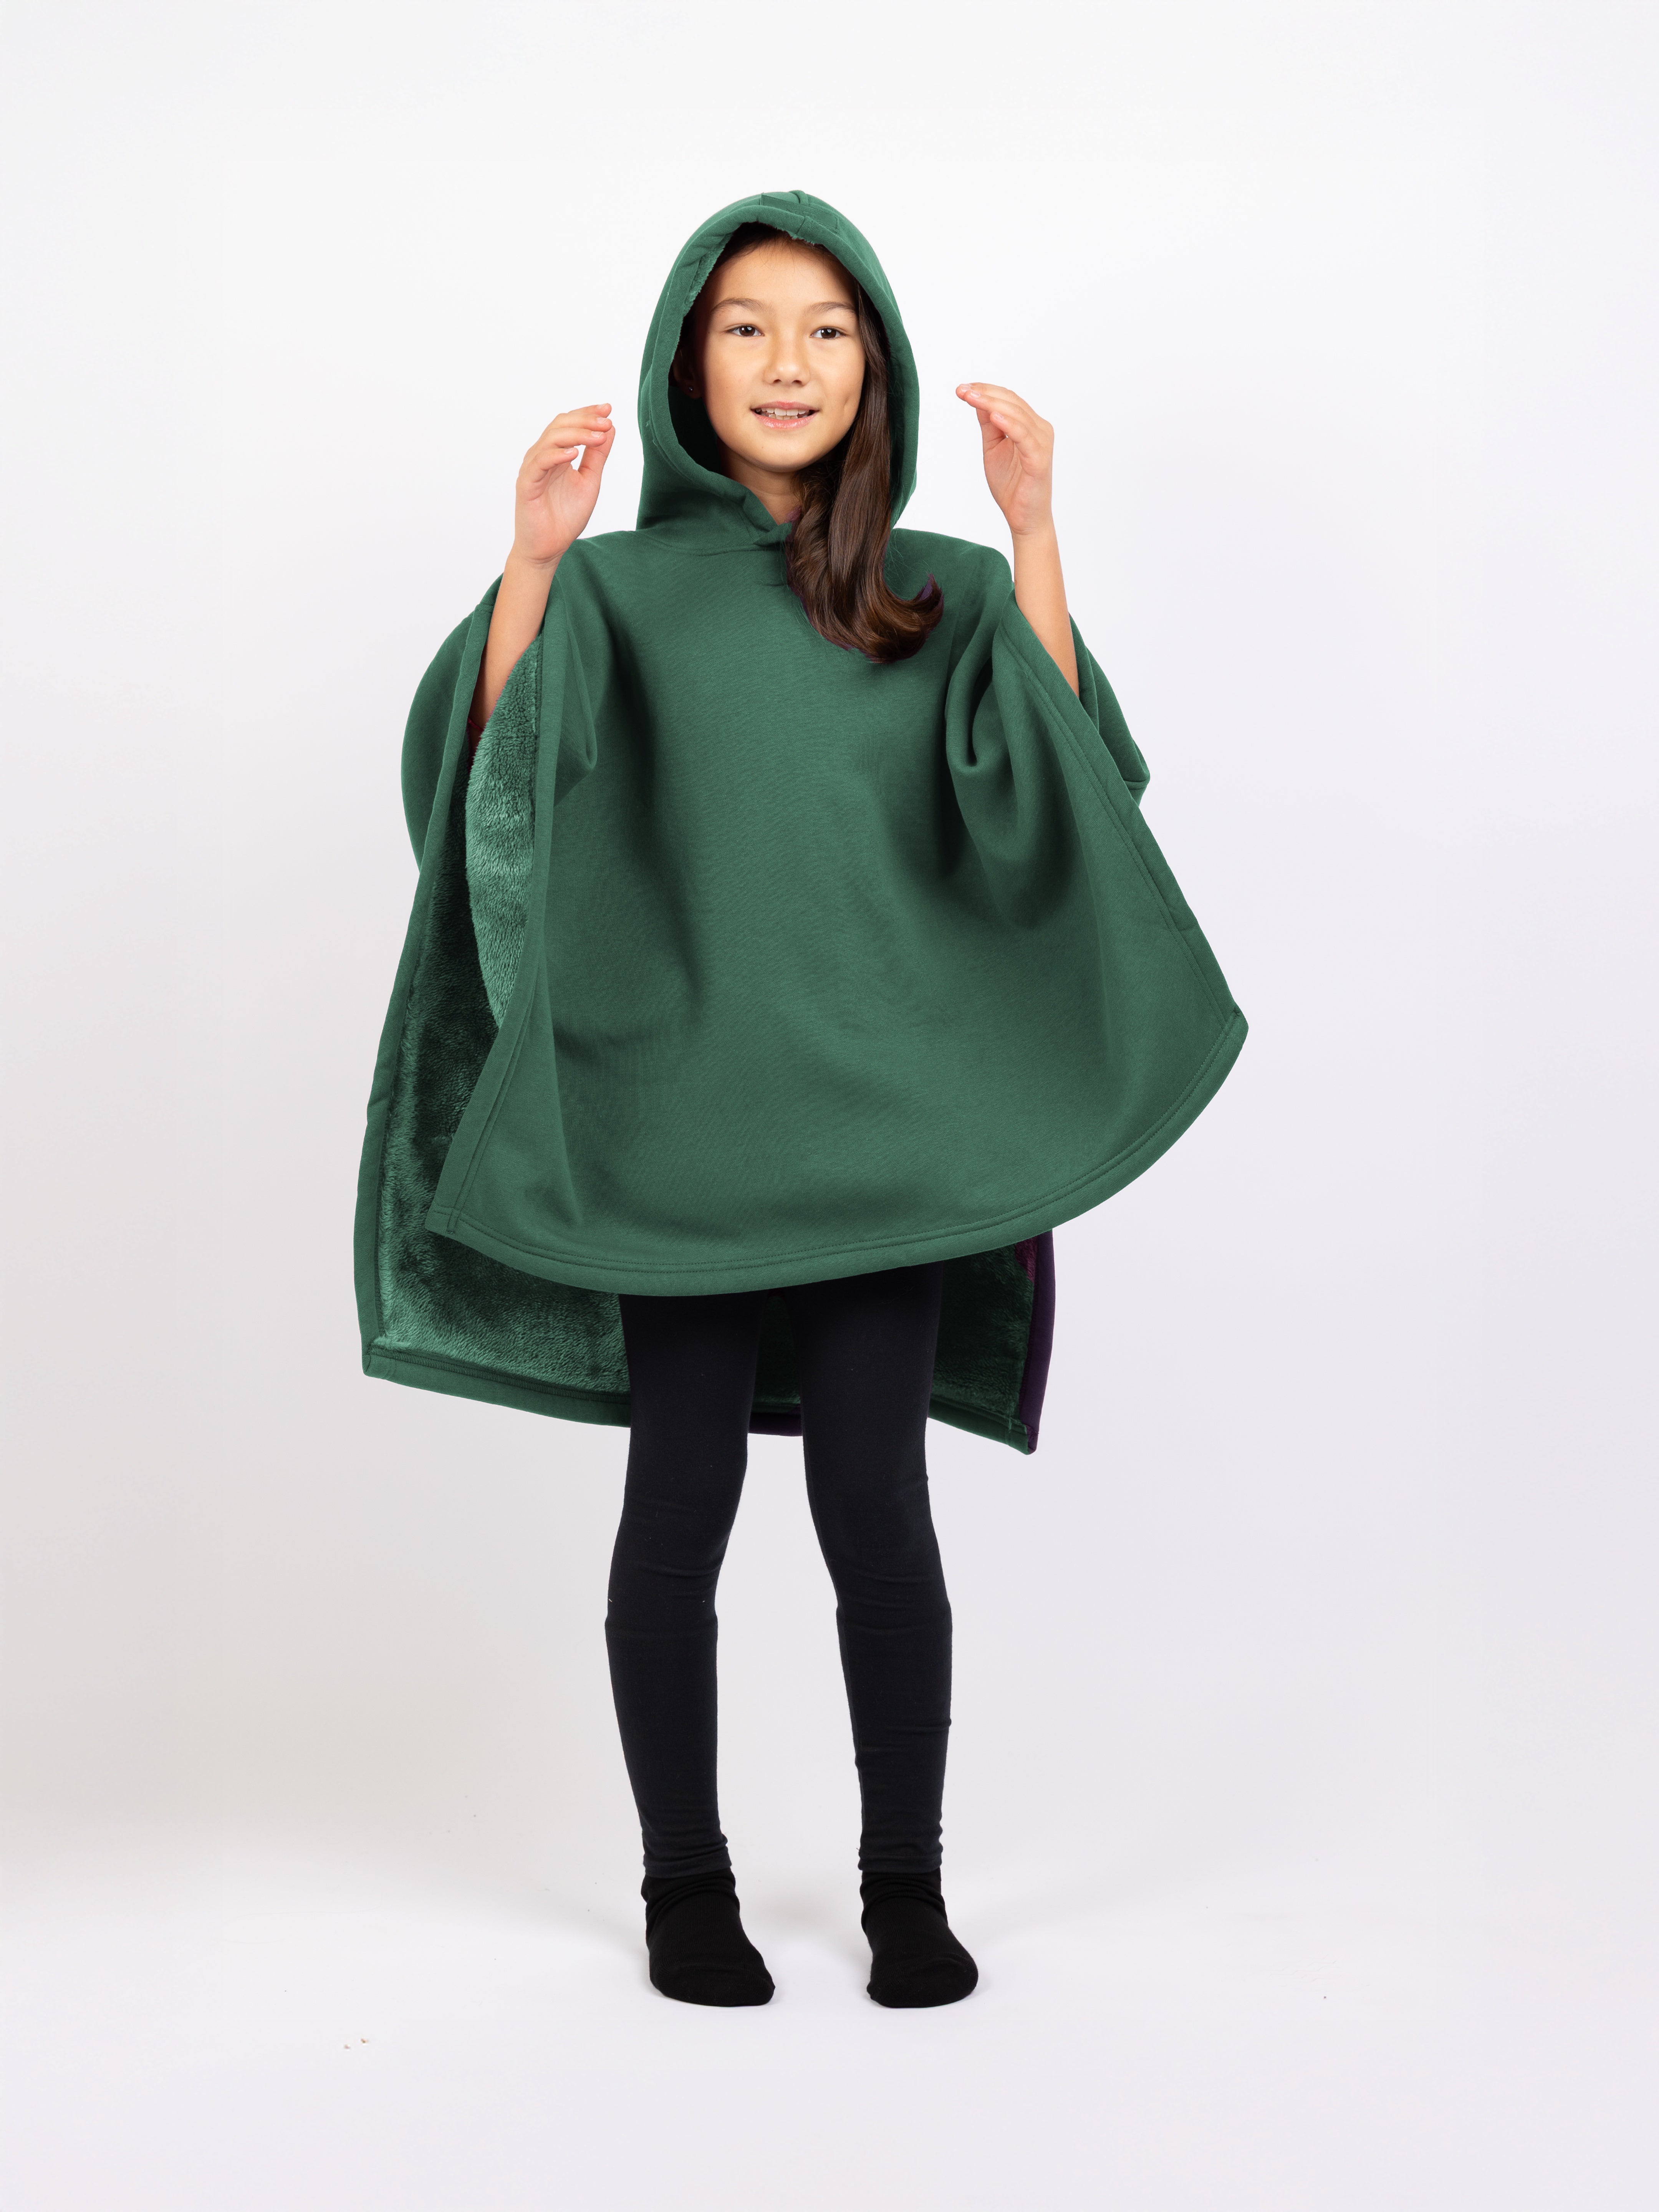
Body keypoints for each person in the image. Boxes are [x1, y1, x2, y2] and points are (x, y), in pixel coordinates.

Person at [356, 191, 1245, 2010]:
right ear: (688, 362)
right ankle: (685, 1890)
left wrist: (1036, 530)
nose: (787, 362)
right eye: (748, 327)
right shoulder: (613, 590)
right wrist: (530, 564)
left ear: (876, 365)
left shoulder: (944, 586)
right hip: (680, 1139)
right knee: (676, 1506)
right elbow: (496, 792)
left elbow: (1065, 785)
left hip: (876, 1141)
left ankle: (904, 1889)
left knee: (877, 1513)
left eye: (827, 330)